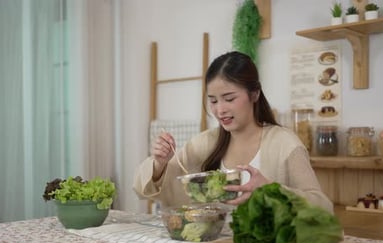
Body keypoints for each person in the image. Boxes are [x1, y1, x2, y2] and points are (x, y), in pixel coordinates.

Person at [133, 51, 333, 214]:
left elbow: (323, 207)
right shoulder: (205, 143)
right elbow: (147, 189)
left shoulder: (285, 143)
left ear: (254, 94)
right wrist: (160, 163)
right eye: (213, 100)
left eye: (229, 99)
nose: (220, 110)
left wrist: (271, 190)